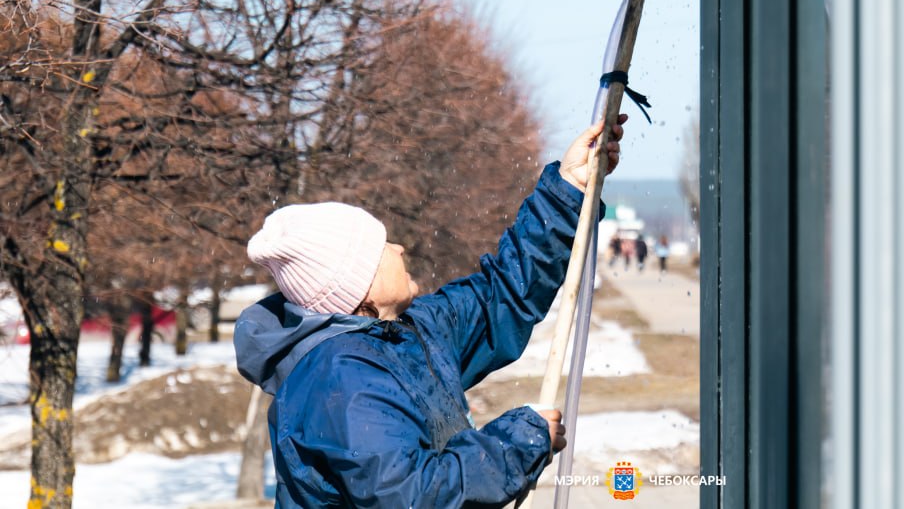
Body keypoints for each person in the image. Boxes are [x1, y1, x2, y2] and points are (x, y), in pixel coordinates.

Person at [234, 117, 626, 508]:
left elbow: (504, 292)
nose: (399, 249)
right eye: (382, 247)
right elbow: (414, 497)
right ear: (358, 284)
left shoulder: (408, 331)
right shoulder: (341, 382)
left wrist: (569, 187)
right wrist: (519, 442)